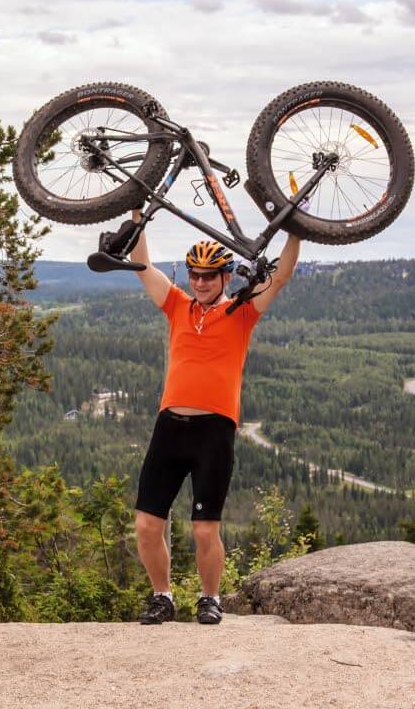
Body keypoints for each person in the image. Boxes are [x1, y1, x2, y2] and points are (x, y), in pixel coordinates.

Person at [127, 209, 301, 625]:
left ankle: (210, 598)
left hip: (214, 432)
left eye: (209, 275)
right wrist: (137, 213)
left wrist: (296, 230)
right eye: (195, 274)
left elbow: (280, 276)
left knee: (205, 529)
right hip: (170, 429)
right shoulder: (176, 305)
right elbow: (142, 264)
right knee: (147, 524)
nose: (200, 282)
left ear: (225, 278)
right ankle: (162, 597)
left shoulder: (241, 312)